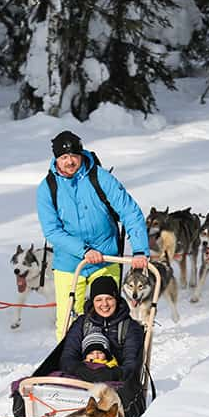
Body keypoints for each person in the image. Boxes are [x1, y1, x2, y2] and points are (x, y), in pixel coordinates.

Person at [37, 130, 150, 339]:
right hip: (69, 262)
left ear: (81, 155)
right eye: (63, 157)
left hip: (106, 258)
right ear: (56, 159)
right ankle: (70, 365)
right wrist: (84, 250)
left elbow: (130, 212)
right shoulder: (47, 188)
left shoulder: (100, 177)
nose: (69, 161)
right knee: (67, 323)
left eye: (74, 156)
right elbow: (52, 230)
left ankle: (108, 364)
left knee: (108, 314)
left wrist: (140, 250)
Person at [59, 276, 143, 384]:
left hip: (115, 382)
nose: (104, 304)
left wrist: (113, 374)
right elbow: (67, 357)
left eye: (109, 299)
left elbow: (131, 364)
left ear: (116, 299)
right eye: (98, 300)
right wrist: (80, 370)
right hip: (81, 379)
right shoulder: (82, 323)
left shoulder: (130, 327)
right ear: (92, 301)